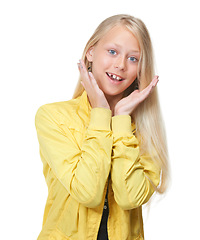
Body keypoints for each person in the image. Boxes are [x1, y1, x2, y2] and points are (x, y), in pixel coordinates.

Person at [35, 14, 169, 240]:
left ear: (140, 69)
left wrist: (121, 121)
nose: (120, 65)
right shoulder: (54, 117)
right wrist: (100, 113)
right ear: (90, 52)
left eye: (133, 58)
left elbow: (129, 198)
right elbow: (87, 192)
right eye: (113, 51)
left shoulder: (146, 131)